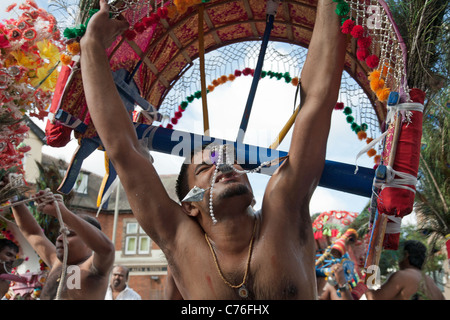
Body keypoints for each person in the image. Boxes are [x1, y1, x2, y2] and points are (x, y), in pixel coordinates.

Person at [80, 0, 347, 299]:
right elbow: (124, 150)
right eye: (205, 168)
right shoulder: (178, 238)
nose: (225, 166)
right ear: (190, 206)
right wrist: (91, 46)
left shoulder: (284, 207)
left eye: (231, 162)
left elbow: (316, 103)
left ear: (254, 192)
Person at [11, 190, 115, 300]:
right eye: (61, 233)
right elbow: (33, 233)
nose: (60, 239)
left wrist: (61, 212)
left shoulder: (94, 268)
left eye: (69, 234)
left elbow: (106, 249)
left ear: (89, 242)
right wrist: (13, 195)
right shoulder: (57, 262)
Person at [365, 240, 445, 300]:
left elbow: (374, 298)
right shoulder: (431, 282)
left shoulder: (403, 276)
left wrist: (370, 272)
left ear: (406, 255)